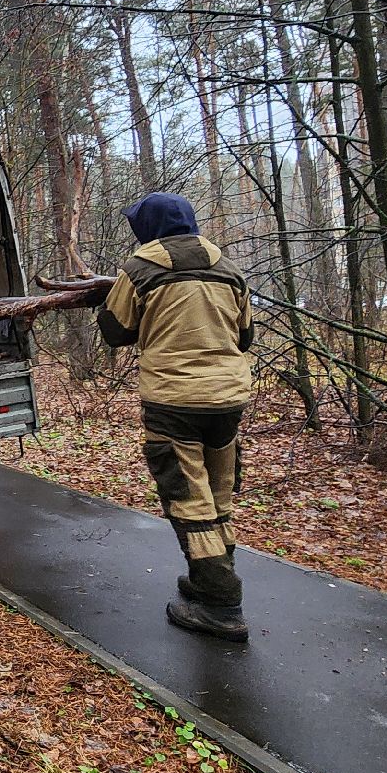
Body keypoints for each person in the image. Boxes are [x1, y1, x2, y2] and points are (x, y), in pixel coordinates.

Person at [96, 193, 255, 642]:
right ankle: (209, 580)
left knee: (188, 498)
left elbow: (116, 331)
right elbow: (245, 337)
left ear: (146, 228)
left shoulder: (139, 270)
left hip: (174, 400)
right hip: (228, 399)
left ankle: (222, 605)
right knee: (218, 490)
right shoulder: (229, 269)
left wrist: (104, 301)